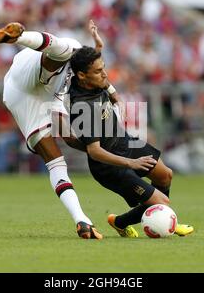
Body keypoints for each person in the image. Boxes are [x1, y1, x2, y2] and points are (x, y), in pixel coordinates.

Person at [0, 21, 119, 239]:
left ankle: (82, 221)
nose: (101, 74)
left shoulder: (83, 69)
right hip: (21, 91)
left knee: (63, 151)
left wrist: (98, 149)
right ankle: (81, 218)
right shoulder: (67, 50)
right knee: (54, 159)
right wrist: (21, 37)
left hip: (50, 93)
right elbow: (48, 41)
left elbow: (96, 68)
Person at [68, 46, 194, 237]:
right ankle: (163, 221)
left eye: (104, 68)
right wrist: (131, 163)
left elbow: (104, 82)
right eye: (98, 71)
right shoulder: (83, 107)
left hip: (125, 142)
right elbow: (94, 151)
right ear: (82, 75)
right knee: (162, 203)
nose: (104, 74)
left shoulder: (93, 80)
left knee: (165, 175)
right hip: (108, 166)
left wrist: (115, 97)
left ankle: (120, 222)